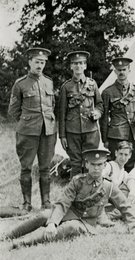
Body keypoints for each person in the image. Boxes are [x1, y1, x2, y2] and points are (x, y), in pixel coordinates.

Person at [4, 149, 135, 249]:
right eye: (93, 164)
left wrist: (133, 227)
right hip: (70, 213)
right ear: (87, 164)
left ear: (104, 166)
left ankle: (20, 244)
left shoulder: (109, 186)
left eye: (100, 164)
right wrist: (53, 222)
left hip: (86, 223)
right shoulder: (77, 181)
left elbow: (125, 206)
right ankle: (7, 236)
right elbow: (63, 202)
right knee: (44, 215)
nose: (96, 168)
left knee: (70, 227)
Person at [8, 47, 56, 211]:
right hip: (27, 132)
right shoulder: (20, 84)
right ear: (30, 62)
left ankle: (46, 202)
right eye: (37, 62)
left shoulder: (48, 82)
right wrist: (26, 122)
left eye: (42, 62)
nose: (40, 65)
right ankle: (27, 203)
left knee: (45, 167)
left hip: (47, 132)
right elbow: (13, 110)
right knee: (26, 167)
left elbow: (52, 106)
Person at [59, 51, 103, 177]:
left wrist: (97, 113)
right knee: (76, 163)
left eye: (81, 63)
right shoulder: (66, 87)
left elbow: (100, 105)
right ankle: (75, 192)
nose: (78, 66)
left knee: (91, 161)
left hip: (91, 131)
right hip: (72, 132)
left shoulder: (92, 84)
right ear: (71, 66)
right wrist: (62, 136)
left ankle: (90, 190)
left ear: (85, 66)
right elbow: (61, 113)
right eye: (75, 63)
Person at [101, 57, 135, 171]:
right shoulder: (108, 92)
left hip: (134, 133)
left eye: (124, 69)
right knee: (116, 162)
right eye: (119, 70)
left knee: (132, 159)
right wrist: (105, 139)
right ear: (115, 71)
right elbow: (104, 117)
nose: (121, 72)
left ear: (129, 70)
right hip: (116, 134)